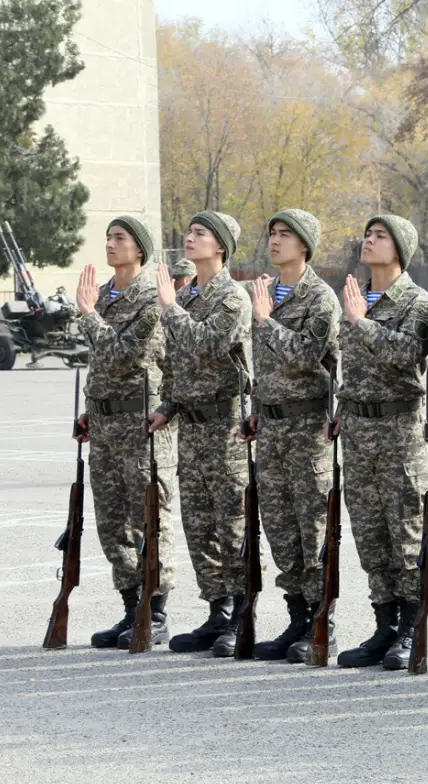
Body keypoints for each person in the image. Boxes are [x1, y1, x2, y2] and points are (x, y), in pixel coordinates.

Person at [148, 211, 252, 657]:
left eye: (200, 233)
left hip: (225, 427)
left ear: (221, 247)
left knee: (231, 523)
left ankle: (242, 615)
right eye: (189, 232)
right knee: (199, 524)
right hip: (191, 425)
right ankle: (217, 611)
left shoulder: (232, 297)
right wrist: (167, 406)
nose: (190, 238)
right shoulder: (188, 296)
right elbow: (176, 363)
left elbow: (207, 344)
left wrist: (169, 308)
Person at [334, 214, 428, 671]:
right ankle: (385, 624)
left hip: (397, 430)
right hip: (358, 430)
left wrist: (361, 323)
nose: (369, 241)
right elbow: (350, 367)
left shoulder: (415, 301)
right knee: (370, 533)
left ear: (400, 249)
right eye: (367, 234)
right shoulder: (356, 294)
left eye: (380, 237)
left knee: (404, 531)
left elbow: (408, 356)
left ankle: (411, 627)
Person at [74, 216, 177, 648]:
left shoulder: (151, 299)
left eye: (120, 238)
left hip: (140, 426)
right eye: (108, 238)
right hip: (105, 426)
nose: (111, 244)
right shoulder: (101, 296)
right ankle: (131, 606)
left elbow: (122, 354)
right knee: (112, 523)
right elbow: (100, 366)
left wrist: (89, 315)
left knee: (148, 519)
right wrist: (89, 411)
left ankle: (156, 612)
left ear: (140, 249)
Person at [247, 209, 342, 663]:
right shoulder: (265, 293)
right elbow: (260, 366)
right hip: (271, 428)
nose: (275, 241)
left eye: (286, 235)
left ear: (305, 245)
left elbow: (306, 356)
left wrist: (267, 321)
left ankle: (322, 623)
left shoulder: (320, 297)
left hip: (306, 429)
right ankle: (296, 617)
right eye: (272, 233)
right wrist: (255, 411)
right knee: (280, 527)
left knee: (312, 528)